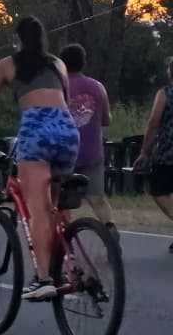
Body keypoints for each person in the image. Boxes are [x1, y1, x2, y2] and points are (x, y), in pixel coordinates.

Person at [0, 17, 79, 301]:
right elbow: (64, 102)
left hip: (36, 130)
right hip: (67, 130)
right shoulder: (58, 65)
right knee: (55, 206)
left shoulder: (7, 65)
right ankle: (69, 264)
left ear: (18, 39)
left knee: (37, 208)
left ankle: (44, 278)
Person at [60, 44, 114, 233]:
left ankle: (65, 240)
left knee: (62, 201)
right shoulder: (98, 87)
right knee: (98, 198)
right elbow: (106, 119)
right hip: (92, 154)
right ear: (84, 63)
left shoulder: (58, 87)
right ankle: (109, 228)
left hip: (65, 154)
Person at [132, 56, 173, 254]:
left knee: (159, 191)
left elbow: (154, 123)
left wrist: (144, 151)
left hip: (168, 153)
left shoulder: (165, 94)